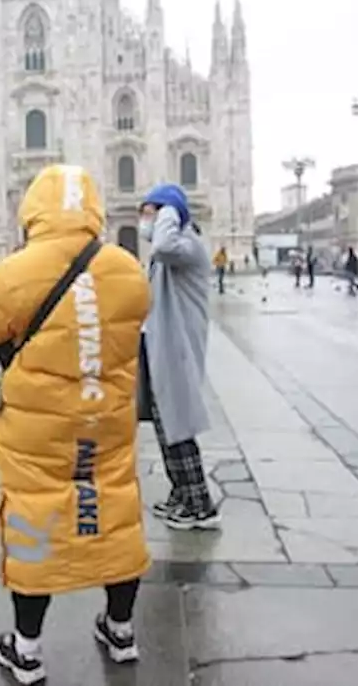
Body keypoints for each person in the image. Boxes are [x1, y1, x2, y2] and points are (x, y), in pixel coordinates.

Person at [0, 164, 150, 684]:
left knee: (36, 515)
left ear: (35, 209)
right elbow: (133, 317)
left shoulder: (18, 269)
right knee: (112, 511)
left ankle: (27, 650)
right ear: (92, 207)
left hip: (37, 428)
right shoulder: (127, 268)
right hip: (102, 420)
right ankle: (121, 629)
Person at [136, 183, 221, 530]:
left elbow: (163, 244)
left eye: (148, 213)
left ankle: (200, 503)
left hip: (178, 348)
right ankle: (182, 493)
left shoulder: (187, 246)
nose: (143, 221)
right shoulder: (168, 253)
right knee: (164, 425)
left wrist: (169, 210)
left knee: (179, 425)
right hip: (162, 345)